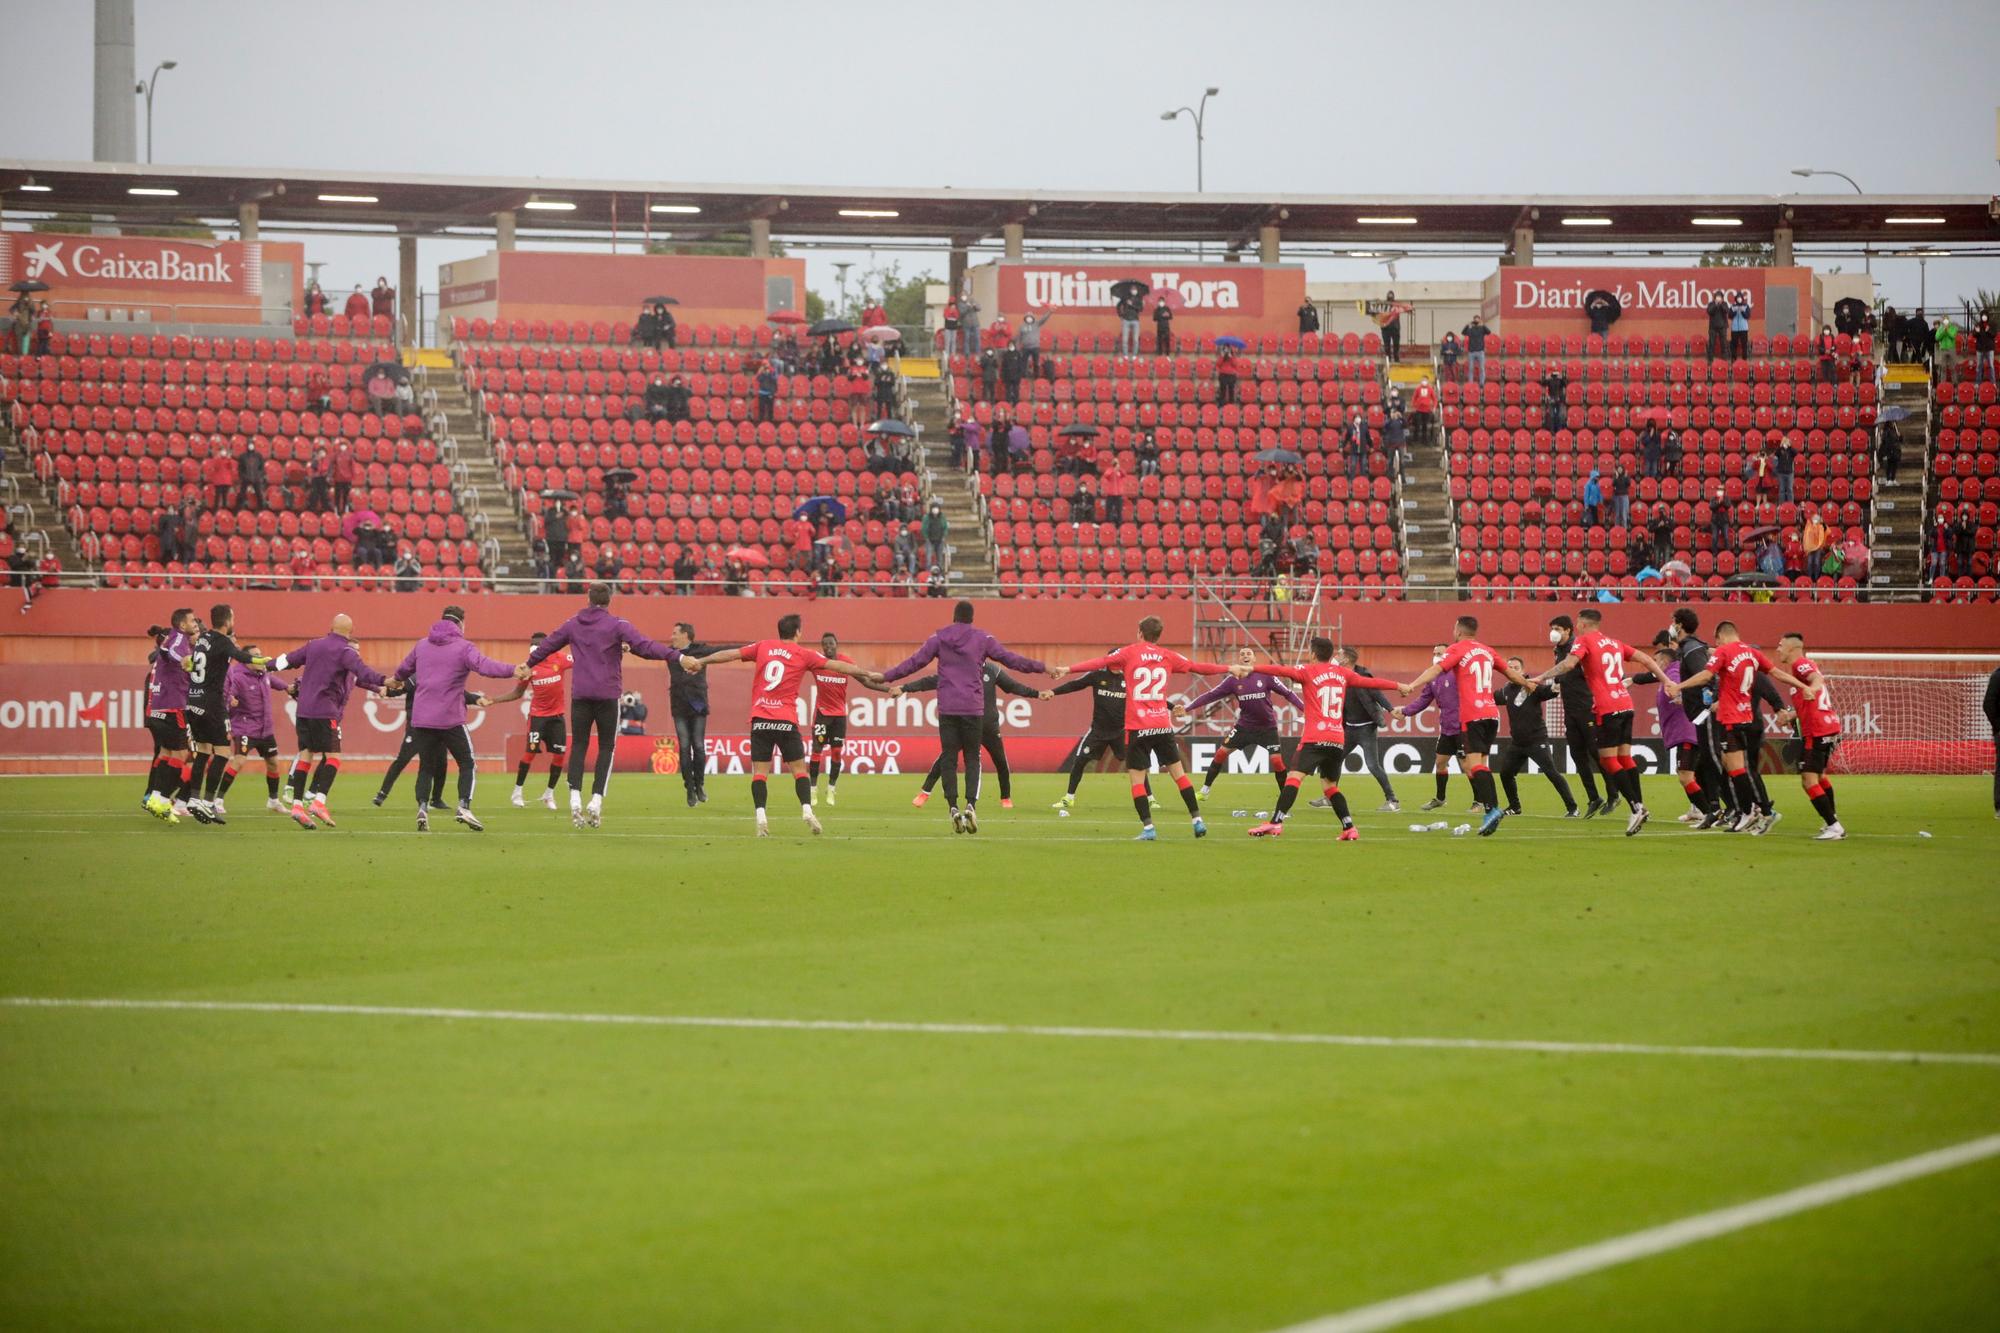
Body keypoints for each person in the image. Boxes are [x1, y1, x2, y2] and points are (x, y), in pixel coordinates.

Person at [690, 615, 880, 837]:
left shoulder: (763, 646)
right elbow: (838, 665)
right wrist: (867, 672)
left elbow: (729, 654)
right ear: (798, 632)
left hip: (760, 719)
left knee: (760, 773)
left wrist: (701, 662)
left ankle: (761, 816)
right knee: (799, 771)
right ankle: (807, 811)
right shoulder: (805, 654)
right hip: (786, 721)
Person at [1059, 617, 1240, 841]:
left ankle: (1148, 828)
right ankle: (1197, 820)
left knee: (1136, 780)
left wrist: (1068, 668)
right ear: (1158, 635)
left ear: (1139, 632)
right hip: (1163, 725)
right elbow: (1197, 667)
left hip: (1138, 726)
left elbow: (1099, 663)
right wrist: (1229, 667)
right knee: (1180, 776)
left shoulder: (1129, 652)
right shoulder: (1168, 655)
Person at [525, 583, 691, 828]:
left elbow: (547, 645)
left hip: (581, 695)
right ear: (609, 600)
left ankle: (573, 798)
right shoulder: (618, 625)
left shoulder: (572, 623)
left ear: (588, 599)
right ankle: (596, 800)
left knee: (579, 745)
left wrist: (528, 664)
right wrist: (677, 656)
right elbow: (645, 646)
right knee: (606, 748)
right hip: (607, 695)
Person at [881, 601, 1049, 832]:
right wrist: (1043, 667)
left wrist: (886, 677)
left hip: (948, 709)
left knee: (949, 758)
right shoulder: (983, 639)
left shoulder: (938, 638)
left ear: (954, 617)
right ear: (971, 618)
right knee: (972, 759)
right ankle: (970, 805)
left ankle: (952, 807)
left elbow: (914, 663)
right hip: (973, 709)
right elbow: (1011, 659)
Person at [1241, 638, 1404, 839]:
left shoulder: (1307, 670)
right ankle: (1349, 828)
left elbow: (1280, 670)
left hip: (1314, 737)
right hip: (1337, 739)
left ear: (1313, 653)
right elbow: (1371, 683)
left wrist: (1252, 668)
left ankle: (1275, 822)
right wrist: (1398, 685)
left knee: (1294, 778)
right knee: (1329, 787)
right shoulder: (1343, 673)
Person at [1396, 617, 1542, 836]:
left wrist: (1412, 685)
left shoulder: (1458, 649)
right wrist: (1527, 683)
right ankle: (1490, 810)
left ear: (1458, 630)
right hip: (1491, 714)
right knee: (1481, 763)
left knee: (1474, 765)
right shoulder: (1487, 650)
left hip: (1472, 714)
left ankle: (1491, 810)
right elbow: (1510, 673)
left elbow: (1436, 669)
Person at [1535, 607, 1671, 835]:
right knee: (1624, 758)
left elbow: (1568, 665)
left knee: (1608, 761)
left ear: (1582, 623)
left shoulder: (1584, 641)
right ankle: (1639, 805)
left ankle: (1636, 807)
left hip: (1607, 707)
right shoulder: (1615, 643)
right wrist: (1666, 680)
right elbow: (1646, 659)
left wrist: (1541, 677)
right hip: (1626, 704)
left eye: (1578, 623)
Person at [1671, 622, 1809, 835]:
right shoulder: (1752, 653)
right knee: (1740, 768)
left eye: (1716, 640)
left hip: (1731, 719)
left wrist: (1679, 686)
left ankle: (1757, 810)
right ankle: (1753, 811)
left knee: (1736, 769)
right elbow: (1776, 675)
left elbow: (1706, 675)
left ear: (1720, 637)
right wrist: (1804, 686)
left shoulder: (1724, 651)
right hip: (1748, 717)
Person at [389, 606, 518, 832]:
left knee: (426, 767)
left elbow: (402, 671)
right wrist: (513, 670)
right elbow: (485, 666)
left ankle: (422, 808)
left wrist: (395, 680)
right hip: (450, 718)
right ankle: (464, 807)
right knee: (467, 763)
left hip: (422, 719)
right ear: (460, 624)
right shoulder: (464, 647)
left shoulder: (421, 645)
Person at [269, 613, 395, 830]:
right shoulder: (345, 651)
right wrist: (384, 680)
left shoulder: (314, 645)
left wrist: (266, 664)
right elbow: (362, 672)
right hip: (325, 712)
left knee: (306, 755)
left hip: (304, 711)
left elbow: (288, 660)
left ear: (331, 627)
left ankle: (297, 806)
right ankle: (319, 802)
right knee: (334, 757)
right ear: (350, 631)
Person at [900, 661, 1040, 810]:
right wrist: (905, 688)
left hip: (988, 726)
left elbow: (1013, 686)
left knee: (1000, 761)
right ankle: (925, 793)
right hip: (969, 723)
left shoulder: (992, 670)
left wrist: (1036, 694)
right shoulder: (960, 668)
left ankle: (1005, 797)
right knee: (946, 758)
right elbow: (931, 681)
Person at [1177, 646, 1305, 802]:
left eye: (1249, 654)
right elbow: (1210, 696)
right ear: (1239, 659)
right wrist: (1188, 708)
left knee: (1277, 761)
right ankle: (1205, 791)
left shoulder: (1266, 675)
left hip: (1267, 728)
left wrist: (1305, 709)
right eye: (1242, 654)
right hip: (1244, 727)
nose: (1245, 656)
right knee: (1221, 754)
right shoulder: (1232, 680)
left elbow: (1288, 693)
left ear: (1254, 659)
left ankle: (1285, 800)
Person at [181, 603, 270, 823]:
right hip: (212, 704)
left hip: (193, 701)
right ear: (228, 620)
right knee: (222, 752)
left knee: (203, 751)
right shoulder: (223, 641)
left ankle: (193, 799)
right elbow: (241, 655)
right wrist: (263, 661)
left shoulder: (203, 639)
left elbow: (193, 662)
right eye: (233, 618)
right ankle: (210, 802)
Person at [1630, 629, 1719, 828]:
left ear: (1662, 661)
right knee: (1693, 775)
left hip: (1687, 732)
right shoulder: (1668, 674)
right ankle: (1710, 811)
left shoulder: (1675, 671)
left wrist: (1681, 696)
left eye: (1656, 661)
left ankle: (1711, 814)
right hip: (1683, 733)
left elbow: (1684, 689)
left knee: (1686, 776)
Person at [1771, 632, 1847, 840]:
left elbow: (1817, 679)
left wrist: (1811, 689)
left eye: (1780, 645)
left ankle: (1834, 826)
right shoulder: (1798, 671)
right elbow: (1811, 697)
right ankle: (1831, 819)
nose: (1777, 649)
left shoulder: (1800, 665)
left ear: (1792, 649)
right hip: (1828, 727)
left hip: (1817, 730)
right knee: (1820, 776)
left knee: (1808, 780)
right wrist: (1791, 715)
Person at [1047, 657, 1138, 814]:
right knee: (1080, 760)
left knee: (1135, 763)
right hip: (1098, 731)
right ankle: (1069, 797)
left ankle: (1150, 799)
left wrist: (1170, 707)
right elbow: (1075, 685)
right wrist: (1053, 692)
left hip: (1120, 731)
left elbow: (1147, 696)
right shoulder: (1097, 675)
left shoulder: (1128, 677)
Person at [1494, 658, 1579, 818]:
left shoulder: (1530, 685)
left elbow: (1551, 691)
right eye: (1509, 668)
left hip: (1536, 740)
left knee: (1551, 772)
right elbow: (1491, 698)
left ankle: (1573, 807)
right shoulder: (1506, 690)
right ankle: (1515, 807)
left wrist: (1557, 681)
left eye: (1516, 667)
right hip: (1518, 743)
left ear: (1523, 670)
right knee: (1505, 774)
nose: (1512, 670)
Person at [496, 631, 571, 809]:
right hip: (538, 718)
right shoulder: (529, 667)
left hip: (557, 717)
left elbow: (583, 657)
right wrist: (494, 700)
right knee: (529, 753)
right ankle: (517, 792)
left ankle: (549, 794)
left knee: (559, 756)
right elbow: (517, 693)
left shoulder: (560, 658)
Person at [808, 631, 884, 806]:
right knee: (817, 750)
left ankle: (831, 788)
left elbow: (865, 681)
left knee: (836, 752)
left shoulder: (846, 662)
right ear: (822, 647)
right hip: (822, 714)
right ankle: (813, 789)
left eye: (831, 644)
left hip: (839, 716)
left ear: (836, 644)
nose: (828, 647)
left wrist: (887, 690)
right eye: (825, 644)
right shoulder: (817, 662)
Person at [140, 609, 199, 821]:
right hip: (173, 706)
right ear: (182, 625)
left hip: (159, 706)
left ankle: (155, 797)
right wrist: (185, 660)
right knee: (181, 754)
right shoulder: (178, 639)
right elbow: (173, 653)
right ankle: (164, 800)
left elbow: (165, 653)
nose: (195, 623)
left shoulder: (174, 639)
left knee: (165, 752)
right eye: (192, 620)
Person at [223, 648, 291, 815]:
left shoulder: (263, 673)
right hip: (244, 727)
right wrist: (230, 700)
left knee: (274, 763)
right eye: (257, 656)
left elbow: (272, 680)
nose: (261, 658)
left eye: (261, 655)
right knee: (238, 761)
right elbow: (227, 694)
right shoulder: (238, 677)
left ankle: (273, 801)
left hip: (265, 729)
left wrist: (286, 687)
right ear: (247, 659)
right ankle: (217, 800)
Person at [1116, 286, 1144, 357]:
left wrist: (1132, 305)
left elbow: (1141, 309)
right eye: (1133, 289)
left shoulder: (1139, 298)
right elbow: (1118, 306)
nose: (1134, 291)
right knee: (1125, 340)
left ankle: (1134, 355)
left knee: (1135, 340)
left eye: (1135, 289)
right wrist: (1120, 315)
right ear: (1130, 290)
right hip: (1126, 320)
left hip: (1135, 320)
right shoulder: (1125, 297)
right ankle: (1125, 355)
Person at [1461, 316, 1489, 385]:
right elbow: (1463, 333)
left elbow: (1488, 332)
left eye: (1477, 320)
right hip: (1471, 352)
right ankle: (1471, 383)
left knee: (1482, 368)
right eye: (1475, 321)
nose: (1476, 322)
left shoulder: (1482, 328)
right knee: (1470, 368)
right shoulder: (1470, 329)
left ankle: (1482, 383)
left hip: (1480, 352)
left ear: (1479, 320)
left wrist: (1483, 325)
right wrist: (1467, 325)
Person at [1409, 377, 1436, 448]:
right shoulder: (1418, 389)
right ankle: (1416, 440)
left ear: (1428, 381)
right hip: (1418, 410)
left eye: (1425, 380)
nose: (1424, 381)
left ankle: (1424, 440)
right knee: (1417, 425)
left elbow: (1434, 399)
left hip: (1427, 410)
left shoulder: (1430, 389)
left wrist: (1434, 407)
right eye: (1423, 380)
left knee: (1425, 426)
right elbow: (1414, 398)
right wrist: (1414, 406)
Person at [923, 501, 949, 571]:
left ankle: (939, 571)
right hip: (930, 540)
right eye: (934, 508)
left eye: (936, 508)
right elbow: (924, 528)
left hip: (939, 539)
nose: (935, 510)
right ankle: (928, 571)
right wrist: (926, 537)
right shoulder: (927, 517)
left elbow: (945, 527)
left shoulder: (942, 517)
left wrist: (943, 536)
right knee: (928, 557)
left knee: (939, 557)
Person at [1972, 313, 1996, 383]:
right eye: (1983, 315)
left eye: (1985, 315)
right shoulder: (1978, 325)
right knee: (1979, 366)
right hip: (1980, 349)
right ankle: (1978, 382)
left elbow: (1994, 334)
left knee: (1991, 366)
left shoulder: (1991, 325)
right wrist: (1977, 332)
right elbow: (1974, 334)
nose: (1984, 317)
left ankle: (1993, 382)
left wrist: (1988, 330)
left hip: (1989, 348)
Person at [1728, 291, 1751, 360]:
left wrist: (1742, 311)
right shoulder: (1732, 306)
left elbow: (1747, 316)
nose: (1739, 299)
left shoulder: (1746, 306)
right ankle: (1733, 358)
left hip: (1743, 328)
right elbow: (1730, 316)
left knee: (1744, 344)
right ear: (1736, 299)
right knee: (1734, 344)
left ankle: (1744, 358)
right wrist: (1735, 311)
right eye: (1738, 298)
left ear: (1742, 299)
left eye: (1740, 298)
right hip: (1734, 328)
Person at [1706, 293, 1730, 360]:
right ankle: (1710, 359)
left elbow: (1726, 310)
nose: (1718, 298)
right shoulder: (1711, 304)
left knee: (1723, 343)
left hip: (1722, 327)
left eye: (1720, 297)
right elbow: (1709, 311)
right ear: (1715, 298)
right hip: (1713, 327)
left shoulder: (1724, 304)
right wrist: (1716, 305)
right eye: (1717, 297)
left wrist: (1721, 304)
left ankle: (1725, 358)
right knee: (1711, 343)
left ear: (1722, 298)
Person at [1773, 438, 1796, 504]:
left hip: (1789, 473)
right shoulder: (1780, 450)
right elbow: (1776, 454)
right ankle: (1781, 504)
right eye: (1784, 442)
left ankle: (1791, 504)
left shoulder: (1791, 451)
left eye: (1787, 442)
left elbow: (1796, 453)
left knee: (1790, 489)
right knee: (1782, 489)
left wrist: (1790, 446)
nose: (1785, 443)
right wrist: (1781, 447)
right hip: (1781, 473)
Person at [1611, 464, 1632, 528]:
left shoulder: (1625, 476)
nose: (1620, 470)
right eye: (1618, 469)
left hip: (1624, 496)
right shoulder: (1615, 477)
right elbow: (1613, 484)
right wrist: (1616, 477)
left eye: (1621, 469)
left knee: (1624, 514)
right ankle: (1616, 529)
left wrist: (1625, 477)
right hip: (1617, 497)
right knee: (1617, 514)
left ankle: (1624, 529)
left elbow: (1628, 484)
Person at [940, 297, 960, 362]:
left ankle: (953, 355)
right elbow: (946, 316)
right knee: (948, 341)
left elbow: (957, 316)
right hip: (948, 327)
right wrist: (951, 311)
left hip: (954, 328)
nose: (952, 305)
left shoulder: (956, 310)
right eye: (951, 303)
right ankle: (947, 355)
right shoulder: (946, 309)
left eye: (953, 303)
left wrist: (953, 312)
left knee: (953, 341)